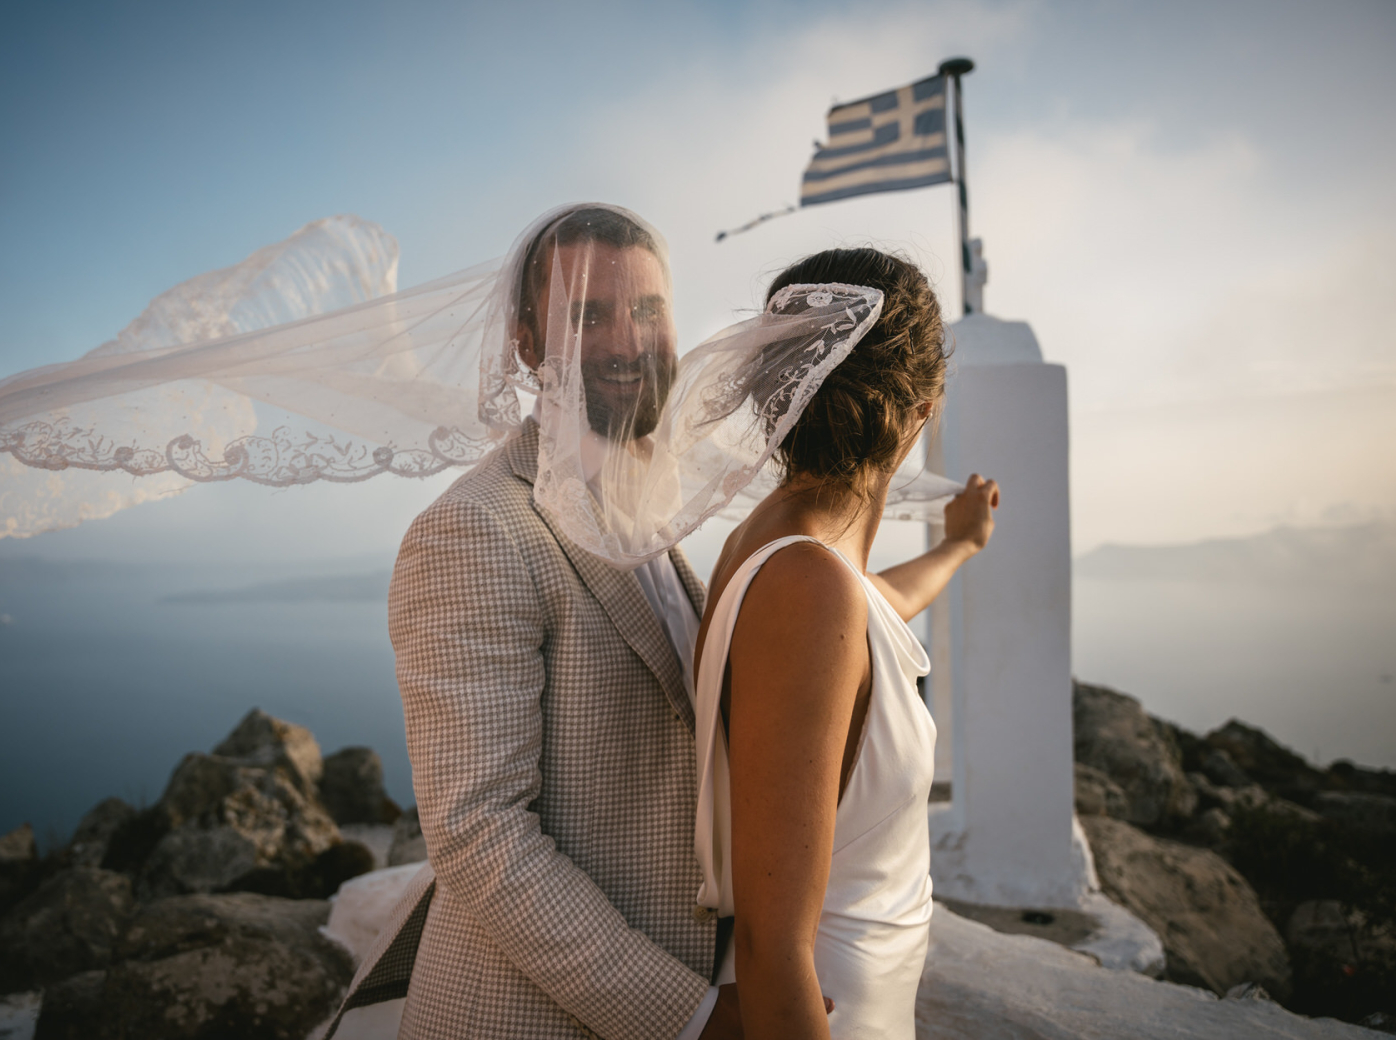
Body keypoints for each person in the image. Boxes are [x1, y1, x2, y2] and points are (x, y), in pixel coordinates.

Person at [338, 205, 745, 1039]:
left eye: (649, 309)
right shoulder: (478, 529)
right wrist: (692, 1019)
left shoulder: (654, 518)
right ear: (527, 342)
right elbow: (478, 834)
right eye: (588, 315)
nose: (630, 342)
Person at [692, 248, 999, 1039]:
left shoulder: (783, 552)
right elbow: (771, 946)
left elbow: (875, 612)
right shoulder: (806, 586)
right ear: (922, 408)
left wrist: (960, 546)